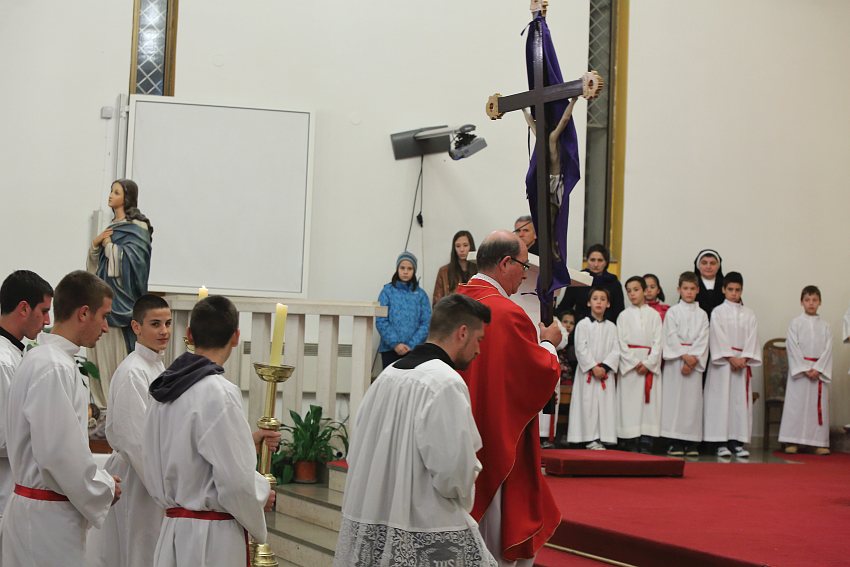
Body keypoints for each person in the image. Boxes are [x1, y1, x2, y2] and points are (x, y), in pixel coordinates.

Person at [335, 294, 497, 566]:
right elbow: (453, 474)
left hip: (375, 518)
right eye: (479, 340)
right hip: (424, 526)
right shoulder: (445, 382)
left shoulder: (387, 376)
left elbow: (358, 451)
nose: (479, 350)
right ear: (462, 332)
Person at [456, 230, 562, 566]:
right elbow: (536, 373)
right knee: (493, 544)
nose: (525, 274)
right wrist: (548, 343)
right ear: (505, 263)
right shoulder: (506, 312)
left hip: (459, 437)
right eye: (523, 265)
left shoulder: (455, 302)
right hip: (497, 437)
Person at [143, 295, 274, 567]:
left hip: (172, 529)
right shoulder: (219, 392)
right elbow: (236, 481)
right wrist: (261, 493)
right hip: (212, 540)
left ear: (189, 334)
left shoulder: (162, 391)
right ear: (236, 337)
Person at [2, 270, 120, 566]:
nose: (106, 327)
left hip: (37, 513)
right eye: (103, 316)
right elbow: (58, 454)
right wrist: (104, 487)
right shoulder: (53, 367)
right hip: (46, 522)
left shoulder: (41, 359)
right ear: (83, 313)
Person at [87, 295, 172, 567]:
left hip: (154, 473)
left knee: (152, 550)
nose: (164, 331)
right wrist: (167, 490)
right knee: (137, 551)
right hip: (139, 477)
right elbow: (135, 440)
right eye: (155, 324)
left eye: (168, 323)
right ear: (136, 327)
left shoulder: (157, 365)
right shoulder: (133, 372)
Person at [86, 179, 154, 408]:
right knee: (101, 355)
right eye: (111, 191)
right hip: (103, 300)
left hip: (123, 302)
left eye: (116, 192)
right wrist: (96, 245)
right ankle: (102, 403)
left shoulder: (138, 228)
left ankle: (116, 404)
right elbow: (95, 268)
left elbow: (135, 265)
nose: (110, 195)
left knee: (117, 356)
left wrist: (109, 246)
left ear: (126, 198)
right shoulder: (111, 228)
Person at [0, 270, 53, 520]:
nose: (47, 320)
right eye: (43, 311)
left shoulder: (14, 354)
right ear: (23, 308)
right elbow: (3, 435)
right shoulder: (2, 361)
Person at [703, 272, 761, 459]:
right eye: (730, 289)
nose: (734, 293)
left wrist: (744, 358)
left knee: (738, 403)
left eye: (737, 290)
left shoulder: (749, 314)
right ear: (723, 290)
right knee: (721, 402)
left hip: (742, 364)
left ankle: (737, 442)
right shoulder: (718, 312)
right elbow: (717, 335)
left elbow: (753, 337)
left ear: (742, 290)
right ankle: (720, 442)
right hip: (723, 365)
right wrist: (730, 357)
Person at [778, 286, 833, 455]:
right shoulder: (795, 323)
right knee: (797, 407)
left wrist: (818, 369)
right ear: (801, 302)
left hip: (818, 372)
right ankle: (792, 441)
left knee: (817, 408)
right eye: (807, 300)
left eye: (814, 300)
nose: (811, 303)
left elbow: (828, 349)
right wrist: (804, 368)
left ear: (820, 302)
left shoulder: (825, 326)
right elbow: (792, 347)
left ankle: (817, 442)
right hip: (800, 374)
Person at [660, 272, 709, 457]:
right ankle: (674, 442)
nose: (688, 292)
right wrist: (683, 356)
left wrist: (692, 359)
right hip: (676, 364)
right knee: (675, 402)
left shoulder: (702, 314)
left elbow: (703, 337)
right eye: (685, 289)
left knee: (691, 403)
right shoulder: (673, 312)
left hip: (693, 364)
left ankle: (691, 442)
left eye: (692, 289)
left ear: (697, 290)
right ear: (679, 290)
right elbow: (670, 335)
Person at [567, 287, 619, 450]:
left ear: (608, 304)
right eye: (595, 298)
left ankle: (602, 436)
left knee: (604, 405)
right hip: (588, 374)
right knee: (587, 403)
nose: (599, 302)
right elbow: (580, 348)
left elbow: (616, 349)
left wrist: (604, 367)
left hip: (604, 373)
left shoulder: (612, 327)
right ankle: (587, 437)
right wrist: (593, 367)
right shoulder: (582, 324)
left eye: (603, 299)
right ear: (589, 302)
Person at [616, 276, 663, 453]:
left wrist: (649, 363)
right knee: (630, 403)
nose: (632, 293)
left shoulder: (655, 316)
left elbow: (659, 342)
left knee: (647, 404)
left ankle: (646, 438)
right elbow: (620, 342)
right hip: (631, 366)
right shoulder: (623, 316)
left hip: (649, 362)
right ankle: (630, 439)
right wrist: (635, 362)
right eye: (628, 291)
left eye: (636, 289)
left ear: (644, 291)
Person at [376, 251, 431, 368]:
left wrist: (411, 345)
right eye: (402, 268)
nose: (405, 271)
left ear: (414, 271)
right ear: (397, 269)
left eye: (409, 268)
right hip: (389, 350)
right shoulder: (386, 292)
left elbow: (426, 323)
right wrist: (395, 344)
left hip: (414, 351)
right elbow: (381, 320)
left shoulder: (421, 295)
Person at [555, 244, 625, 324]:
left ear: (606, 262)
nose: (596, 264)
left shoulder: (614, 283)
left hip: (607, 328)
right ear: (587, 260)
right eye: (592, 260)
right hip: (580, 327)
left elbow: (619, 312)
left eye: (600, 260)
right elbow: (565, 307)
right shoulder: (579, 280)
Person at [432, 230, 478, 305]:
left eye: (465, 245)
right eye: (458, 246)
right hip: (451, 314)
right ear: (454, 248)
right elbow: (437, 302)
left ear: (471, 246)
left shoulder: (479, 270)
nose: (462, 250)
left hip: (474, 314)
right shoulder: (444, 272)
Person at [693, 249, 724, 319]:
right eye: (704, 263)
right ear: (698, 265)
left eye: (712, 263)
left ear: (718, 266)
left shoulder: (727, 284)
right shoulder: (690, 284)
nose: (708, 266)